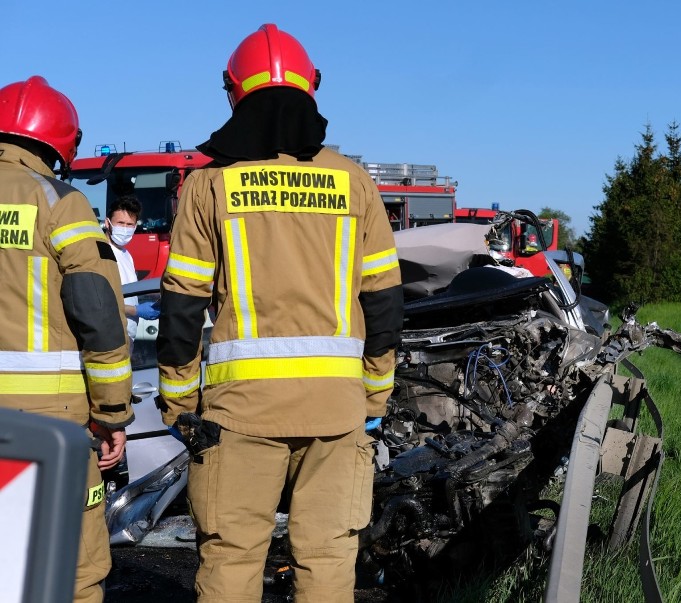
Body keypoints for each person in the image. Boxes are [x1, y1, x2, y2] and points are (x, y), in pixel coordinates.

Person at [155, 24, 403, 602]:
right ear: (311, 88)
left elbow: (183, 305)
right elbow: (385, 302)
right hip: (337, 412)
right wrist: (372, 397)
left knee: (233, 559)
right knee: (327, 558)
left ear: (233, 91)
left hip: (238, 415)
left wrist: (178, 403)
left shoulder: (210, 183)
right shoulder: (354, 181)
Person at [0, 76, 133, 603]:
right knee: (72, 567)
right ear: (60, 144)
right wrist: (112, 415)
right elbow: (99, 317)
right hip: (49, 423)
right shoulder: (60, 202)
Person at [104, 195, 159, 343]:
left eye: (130, 225)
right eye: (120, 223)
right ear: (107, 223)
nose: (125, 229)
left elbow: (128, 292)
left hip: (128, 335)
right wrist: (137, 310)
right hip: (111, 335)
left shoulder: (126, 254)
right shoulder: (101, 253)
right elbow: (100, 300)